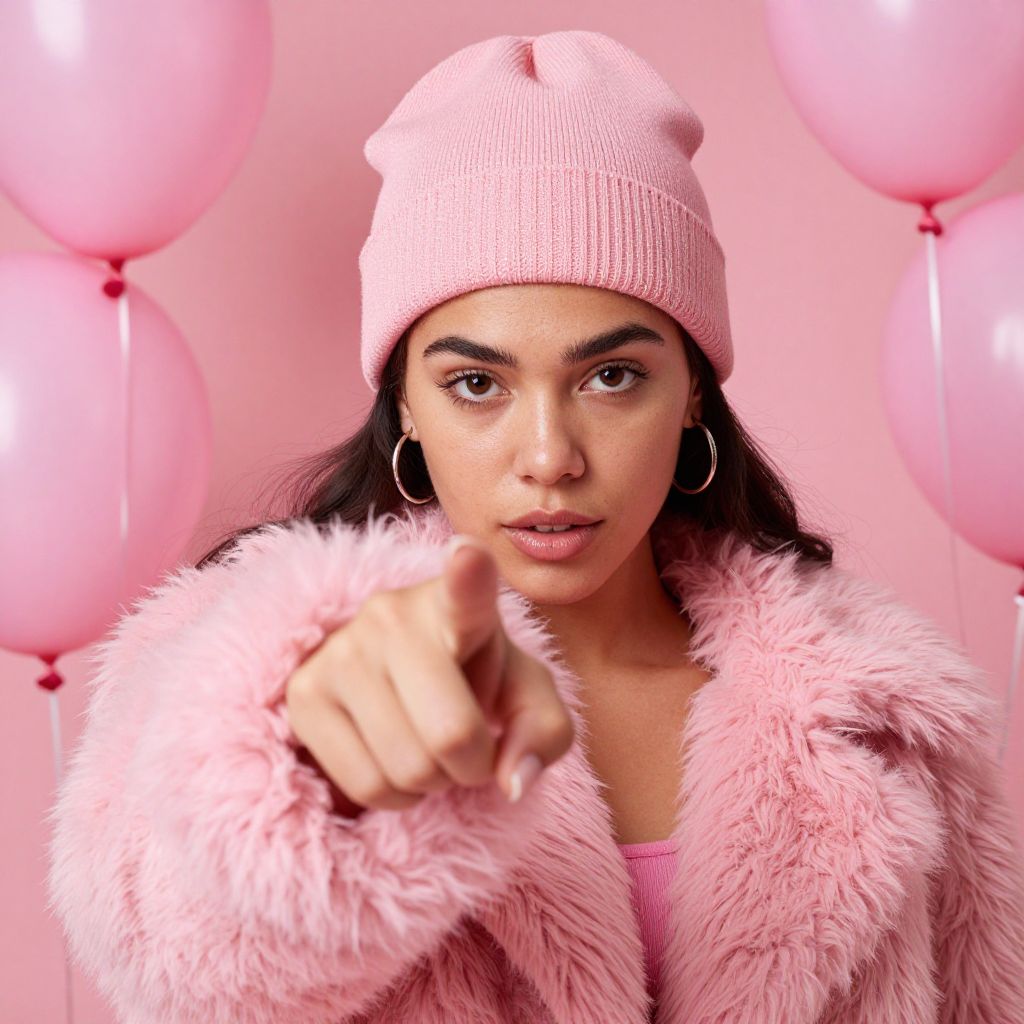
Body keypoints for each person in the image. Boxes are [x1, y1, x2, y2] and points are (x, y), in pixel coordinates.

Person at [45, 30, 1024, 1024]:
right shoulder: (242, 676)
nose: (549, 454)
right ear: (407, 407)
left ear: (691, 392)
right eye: (476, 383)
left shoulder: (890, 717)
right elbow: (174, 966)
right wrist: (309, 794)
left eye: (611, 375)